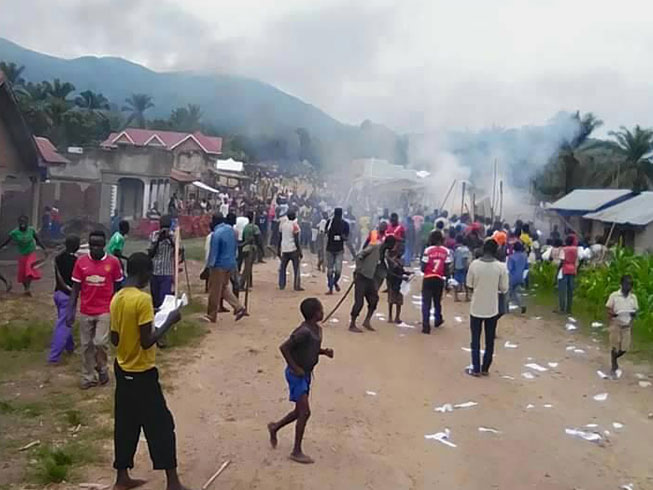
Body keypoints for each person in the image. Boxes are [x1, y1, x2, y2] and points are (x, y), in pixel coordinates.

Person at [109, 252, 189, 490]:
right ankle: (172, 482)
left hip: (122, 369)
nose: (150, 277)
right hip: (142, 372)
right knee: (162, 426)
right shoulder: (142, 300)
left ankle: (122, 477)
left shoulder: (117, 298)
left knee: (125, 424)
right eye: (149, 272)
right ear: (144, 273)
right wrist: (169, 321)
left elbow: (115, 338)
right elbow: (147, 341)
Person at [267, 298, 333, 464]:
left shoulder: (316, 330)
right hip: (296, 375)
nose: (323, 312)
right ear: (314, 313)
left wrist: (323, 352)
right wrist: (295, 367)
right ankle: (296, 451)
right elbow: (284, 348)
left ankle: (275, 427)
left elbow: (310, 348)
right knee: (305, 412)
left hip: (306, 374)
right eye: (320, 310)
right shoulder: (303, 331)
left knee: (299, 411)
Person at [67, 230, 124, 389]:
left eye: (99, 245)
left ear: (104, 245)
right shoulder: (81, 263)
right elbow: (75, 288)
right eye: (93, 245)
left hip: (105, 309)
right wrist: (70, 310)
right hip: (86, 309)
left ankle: (102, 367)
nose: (96, 248)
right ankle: (88, 377)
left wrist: (119, 309)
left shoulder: (113, 263)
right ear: (89, 245)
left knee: (100, 342)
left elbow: (119, 287)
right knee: (86, 346)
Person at [465, 238, 509, 377]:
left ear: (483, 249)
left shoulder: (474, 265)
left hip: (476, 306)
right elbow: (504, 288)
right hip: (492, 307)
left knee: (475, 339)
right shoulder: (501, 267)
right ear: (496, 251)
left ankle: (476, 368)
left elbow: (469, 285)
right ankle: (485, 367)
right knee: (490, 339)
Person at [205, 213, 247, 323]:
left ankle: (211, 315)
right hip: (231, 264)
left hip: (218, 265)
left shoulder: (216, 234)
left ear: (214, 222)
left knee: (214, 290)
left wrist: (208, 267)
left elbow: (213, 254)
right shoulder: (233, 231)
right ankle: (239, 307)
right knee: (223, 288)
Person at [349, 236, 392, 333]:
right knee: (359, 302)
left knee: (374, 299)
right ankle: (352, 324)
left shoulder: (384, 252)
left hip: (370, 278)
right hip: (361, 277)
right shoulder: (374, 247)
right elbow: (360, 255)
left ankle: (366, 321)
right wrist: (359, 269)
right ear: (388, 244)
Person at [48, 235, 80, 364]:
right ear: (76, 246)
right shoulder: (77, 261)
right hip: (69, 296)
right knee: (63, 325)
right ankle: (54, 357)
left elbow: (58, 278)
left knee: (65, 321)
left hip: (58, 294)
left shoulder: (58, 258)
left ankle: (70, 347)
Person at [0, 215, 48, 296]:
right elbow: (6, 242)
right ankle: (25, 288)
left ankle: (28, 288)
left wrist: (44, 249)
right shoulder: (14, 233)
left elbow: (38, 240)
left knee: (28, 268)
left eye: (24, 222)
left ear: (27, 223)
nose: (23, 224)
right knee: (22, 274)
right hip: (22, 254)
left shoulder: (31, 230)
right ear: (19, 223)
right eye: (21, 222)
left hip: (31, 252)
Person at [606, 275, 638, 378]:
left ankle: (614, 358)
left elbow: (635, 310)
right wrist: (612, 314)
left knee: (625, 347)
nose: (628, 286)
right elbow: (609, 308)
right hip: (616, 322)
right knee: (614, 344)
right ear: (621, 284)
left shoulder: (633, 298)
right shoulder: (614, 296)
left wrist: (633, 315)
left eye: (630, 284)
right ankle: (613, 364)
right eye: (626, 284)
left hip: (627, 324)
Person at [421, 230, 451, 333]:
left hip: (428, 278)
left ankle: (425, 325)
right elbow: (447, 268)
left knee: (426, 302)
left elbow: (423, 267)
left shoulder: (427, 250)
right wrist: (447, 281)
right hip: (439, 278)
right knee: (437, 301)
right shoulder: (446, 251)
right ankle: (438, 319)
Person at [148, 216, 176, 309]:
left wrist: (170, 240)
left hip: (166, 272)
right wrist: (158, 241)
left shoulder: (174, 236)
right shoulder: (154, 235)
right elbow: (150, 254)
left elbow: (178, 251)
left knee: (164, 299)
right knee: (155, 299)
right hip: (154, 271)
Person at [325, 208, 349, 295]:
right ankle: (330, 288)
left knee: (338, 271)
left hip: (339, 250)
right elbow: (325, 232)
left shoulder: (345, 224)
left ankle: (334, 282)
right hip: (330, 249)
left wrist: (342, 237)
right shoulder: (330, 222)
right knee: (330, 271)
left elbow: (347, 237)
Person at [278, 210, 303, 291]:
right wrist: (299, 251)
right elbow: (296, 240)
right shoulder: (295, 226)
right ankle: (296, 286)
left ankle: (282, 285)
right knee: (296, 269)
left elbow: (280, 238)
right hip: (293, 249)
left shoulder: (283, 225)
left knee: (282, 268)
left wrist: (279, 249)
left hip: (284, 249)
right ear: (295, 217)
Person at [386, 240, 410, 324]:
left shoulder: (399, 260)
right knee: (392, 300)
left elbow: (401, 270)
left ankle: (396, 317)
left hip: (398, 282)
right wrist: (402, 277)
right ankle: (391, 316)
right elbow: (390, 273)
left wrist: (406, 273)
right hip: (393, 282)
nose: (402, 252)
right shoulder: (393, 261)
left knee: (397, 300)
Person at [557, 235, 578, 314]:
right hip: (572, 270)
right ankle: (569, 309)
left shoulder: (564, 249)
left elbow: (562, 261)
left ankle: (562, 308)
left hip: (564, 270)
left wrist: (557, 270)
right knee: (570, 290)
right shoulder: (576, 249)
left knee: (562, 290)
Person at [507, 241, 528, 314]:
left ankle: (506, 309)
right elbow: (526, 267)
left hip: (512, 277)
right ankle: (522, 305)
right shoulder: (524, 256)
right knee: (517, 293)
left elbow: (509, 268)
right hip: (520, 277)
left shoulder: (511, 257)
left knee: (508, 293)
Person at [453, 235, 472, 302]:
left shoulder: (457, 249)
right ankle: (467, 296)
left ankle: (456, 297)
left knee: (456, 282)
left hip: (457, 267)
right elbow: (465, 259)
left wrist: (453, 267)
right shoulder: (466, 250)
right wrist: (467, 267)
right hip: (463, 268)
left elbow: (454, 258)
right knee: (466, 282)